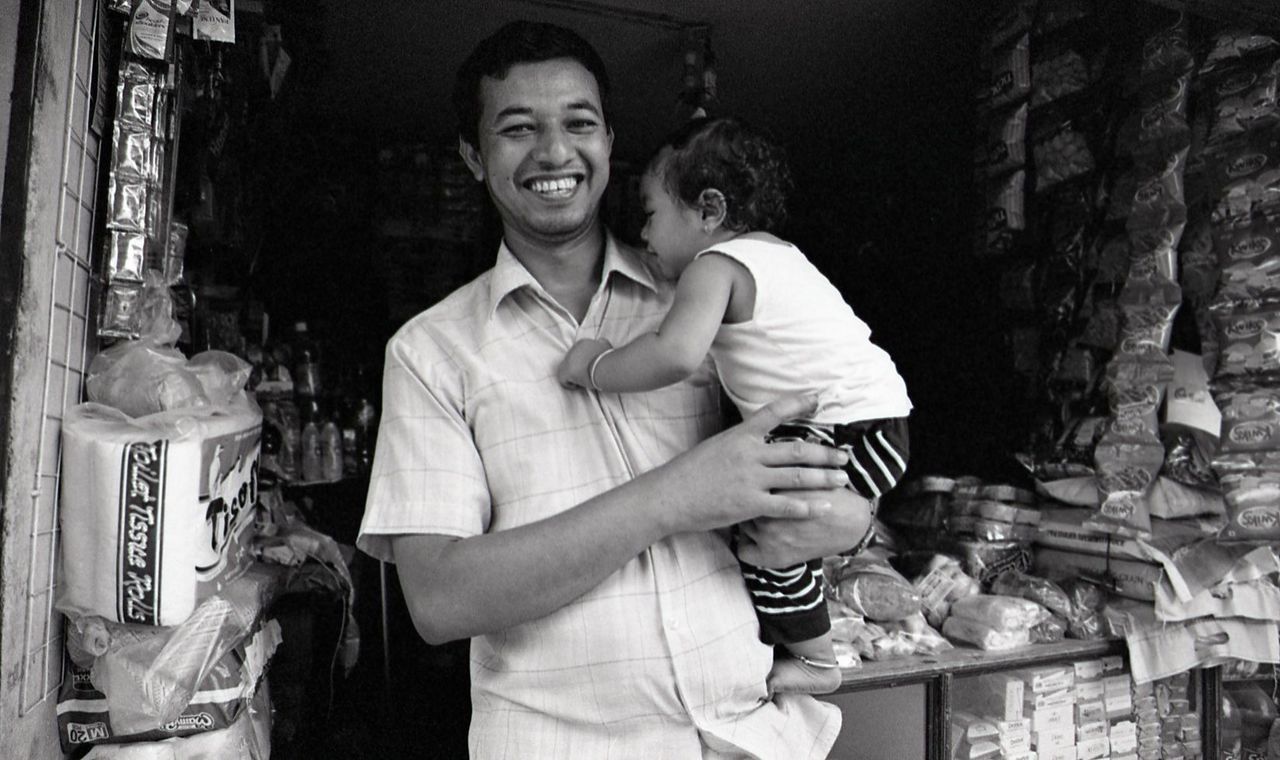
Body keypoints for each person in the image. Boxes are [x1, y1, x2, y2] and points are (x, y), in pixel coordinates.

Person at [356, 20, 872, 760]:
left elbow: (836, 474)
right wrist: (673, 496)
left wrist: (848, 517)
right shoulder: (432, 352)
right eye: (517, 129)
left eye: (579, 123)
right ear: (473, 155)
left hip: (754, 738)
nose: (555, 152)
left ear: (607, 142)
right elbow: (440, 600)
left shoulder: (709, 300)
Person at [558, 116, 913, 695]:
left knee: (762, 541)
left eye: (651, 214)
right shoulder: (779, 254)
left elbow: (673, 354)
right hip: (883, 423)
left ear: (709, 210)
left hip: (835, 426)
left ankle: (819, 662)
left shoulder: (714, 267)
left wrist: (594, 366)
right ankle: (815, 642)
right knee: (794, 535)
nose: (644, 234)